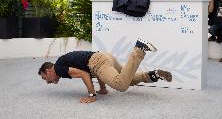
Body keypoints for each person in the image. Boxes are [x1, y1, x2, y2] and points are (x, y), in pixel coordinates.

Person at [38, 38, 172, 103]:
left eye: (44, 78)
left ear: (49, 71)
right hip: (104, 57)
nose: (47, 81)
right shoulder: (62, 63)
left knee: (121, 85)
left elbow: (85, 74)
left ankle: (139, 50)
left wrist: (92, 96)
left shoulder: (59, 69)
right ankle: (152, 75)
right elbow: (93, 72)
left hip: (98, 61)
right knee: (127, 80)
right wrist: (102, 88)